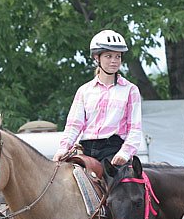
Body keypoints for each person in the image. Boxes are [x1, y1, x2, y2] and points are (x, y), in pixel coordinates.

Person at [52, 29, 143, 165]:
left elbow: (135, 129)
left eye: (117, 56)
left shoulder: (130, 90)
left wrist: (125, 153)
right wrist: (63, 148)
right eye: (108, 56)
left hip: (114, 150)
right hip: (85, 149)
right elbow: (74, 125)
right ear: (96, 57)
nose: (114, 61)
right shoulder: (84, 91)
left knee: (121, 185)